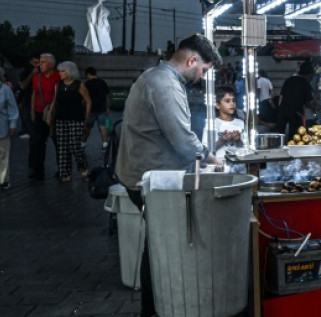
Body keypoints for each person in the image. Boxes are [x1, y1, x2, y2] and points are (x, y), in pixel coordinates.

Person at [115, 33, 221, 317]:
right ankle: (159, 308)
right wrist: (212, 157)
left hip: (145, 173)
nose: (201, 77)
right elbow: (183, 141)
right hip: (152, 179)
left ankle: (160, 306)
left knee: (160, 244)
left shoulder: (157, 77)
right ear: (192, 60)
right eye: (203, 70)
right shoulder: (165, 85)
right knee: (162, 247)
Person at [47, 61, 91, 183]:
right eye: (59, 71)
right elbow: (54, 101)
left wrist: (86, 119)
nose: (59, 73)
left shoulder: (79, 85)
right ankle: (64, 172)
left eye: (62, 71)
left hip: (76, 118)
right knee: (62, 147)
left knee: (75, 145)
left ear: (69, 72)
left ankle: (83, 168)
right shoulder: (58, 85)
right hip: (61, 118)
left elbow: (88, 101)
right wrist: (50, 114)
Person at [29, 53, 60, 180]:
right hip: (39, 112)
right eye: (39, 62)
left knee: (58, 142)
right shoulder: (37, 77)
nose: (39, 64)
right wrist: (32, 111)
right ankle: (38, 170)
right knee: (38, 142)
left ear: (51, 65)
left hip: (55, 114)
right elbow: (34, 94)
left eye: (43, 62)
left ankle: (62, 169)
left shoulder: (59, 76)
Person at [277, 61, 319, 136]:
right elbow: (309, 102)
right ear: (308, 75)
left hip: (282, 111)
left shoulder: (289, 80)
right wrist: (315, 108)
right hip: (296, 114)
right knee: (295, 137)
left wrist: (281, 109)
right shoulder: (305, 83)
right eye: (311, 76)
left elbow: (281, 98)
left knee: (280, 135)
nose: (311, 78)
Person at [203, 85, 245, 159]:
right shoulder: (211, 124)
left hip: (236, 162)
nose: (232, 103)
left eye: (234, 100)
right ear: (218, 105)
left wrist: (238, 140)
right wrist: (222, 140)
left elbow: (245, 149)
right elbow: (206, 150)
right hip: (218, 163)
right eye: (227, 101)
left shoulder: (240, 123)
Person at [83, 67, 112, 149]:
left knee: (87, 127)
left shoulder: (87, 84)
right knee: (103, 127)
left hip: (90, 109)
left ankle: (82, 143)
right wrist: (107, 106)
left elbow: (84, 98)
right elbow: (107, 95)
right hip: (102, 108)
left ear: (88, 74)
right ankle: (105, 144)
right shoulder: (102, 82)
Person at [17, 54, 40, 140]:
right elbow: (23, 86)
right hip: (27, 100)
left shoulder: (43, 72)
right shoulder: (26, 72)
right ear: (31, 62)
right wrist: (31, 75)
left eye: (39, 63)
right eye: (35, 62)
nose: (37, 65)